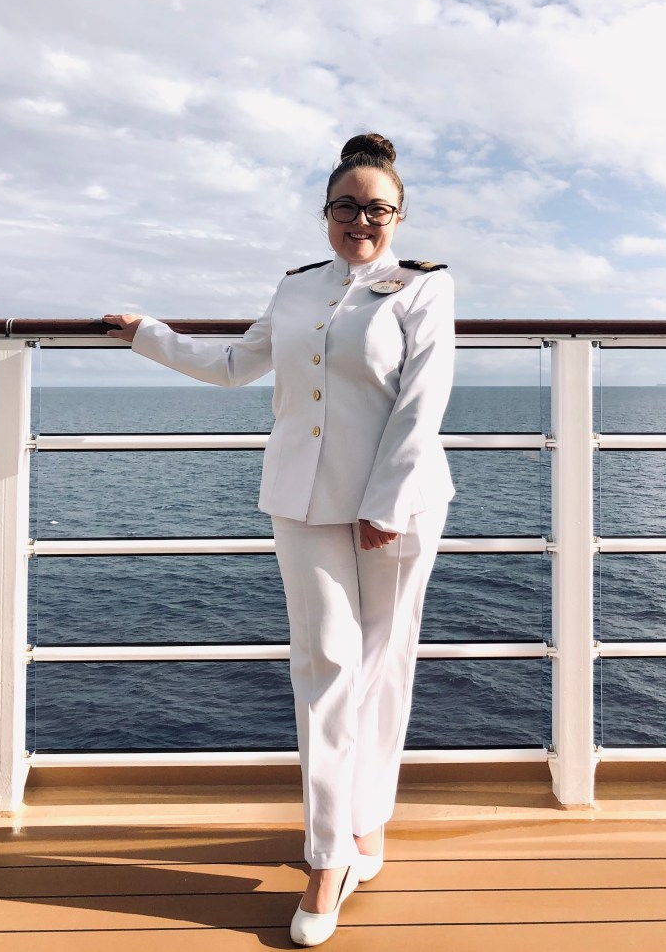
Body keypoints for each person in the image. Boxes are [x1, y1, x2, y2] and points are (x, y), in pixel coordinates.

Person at [104, 132, 455, 946]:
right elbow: (235, 363)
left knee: (382, 664)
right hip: (301, 498)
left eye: (377, 208)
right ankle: (328, 856)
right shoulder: (297, 289)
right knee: (326, 665)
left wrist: (385, 501)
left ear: (399, 216)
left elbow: (422, 402)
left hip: (396, 503)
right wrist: (147, 334)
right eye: (345, 206)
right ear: (324, 212)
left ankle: (367, 822)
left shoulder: (423, 289)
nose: (360, 219)